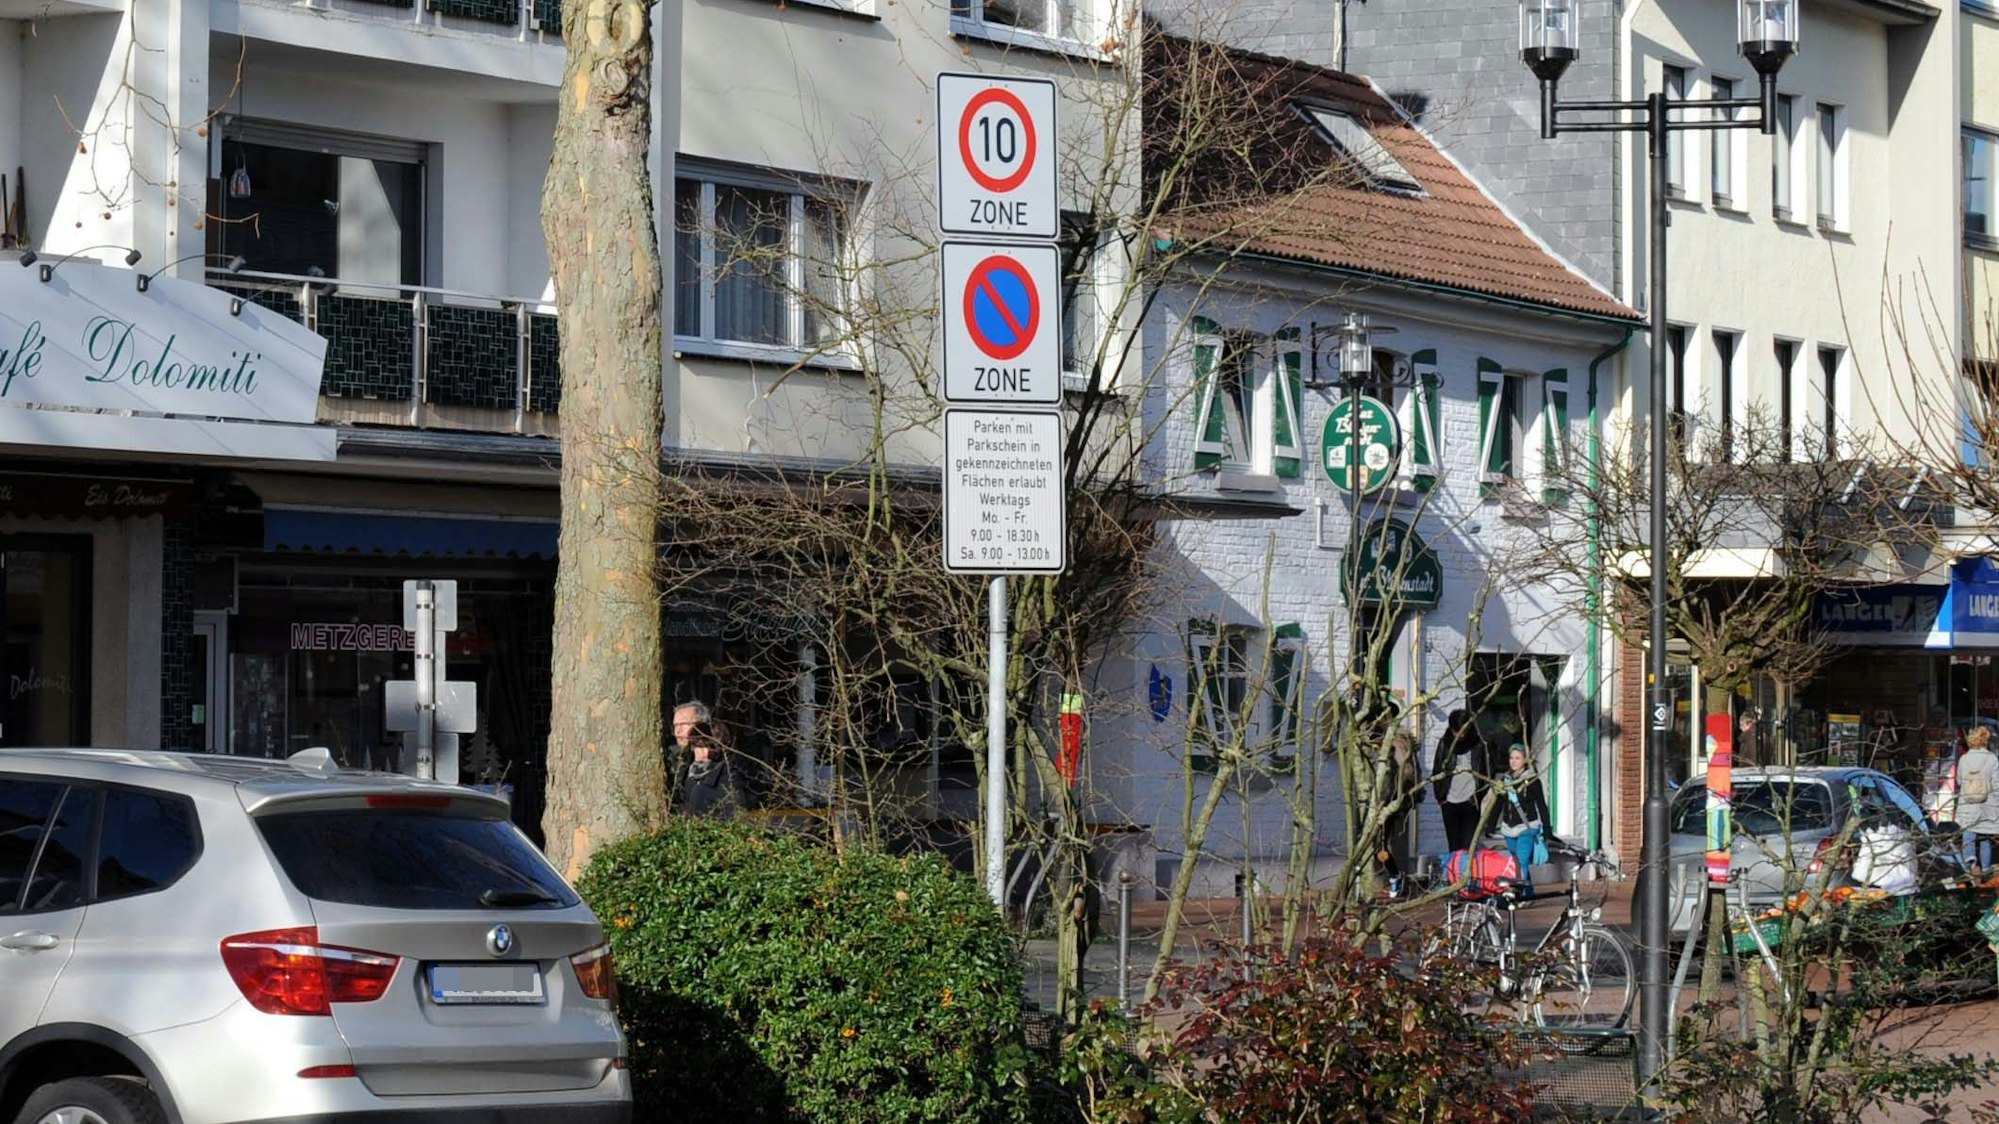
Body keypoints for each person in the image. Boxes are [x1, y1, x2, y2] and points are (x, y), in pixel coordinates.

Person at [1496, 743, 1554, 896]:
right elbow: (1498, 803)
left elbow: (1541, 806)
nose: (1513, 761)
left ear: (1525, 760)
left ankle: (1518, 893)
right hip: (1509, 829)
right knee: (1515, 862)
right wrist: (1490, 825)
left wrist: (1547, 829)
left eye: (1517, 758)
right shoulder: (1505, 780)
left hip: (1527, 828)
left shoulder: (1532, 780)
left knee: (1521, 860)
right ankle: (1528, 891)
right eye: (1511, 758)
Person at [1431, 709, 1485, 853]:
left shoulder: (1477, 744)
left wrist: (1478, 796)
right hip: (1449, 801)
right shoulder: (1445, 743)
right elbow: (1437, 770)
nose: (1459, 735)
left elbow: (1485, 771)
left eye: (1462, 731)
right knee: (1454, 846)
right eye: (1456, 731)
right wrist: (1441, 797)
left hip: (1470, 801)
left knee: (1468, 846)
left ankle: (1466, 874)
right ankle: (1455, 874)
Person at [1381, 721, 1421, 898]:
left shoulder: (1398, 742)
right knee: (1383, 845)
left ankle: (1399, 879)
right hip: (1388, 801)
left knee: (1395, 843)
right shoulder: (1397, 741)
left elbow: (1407, 772)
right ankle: (1396, 876)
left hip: (1393, 801)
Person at [1952, 725, 1999, 870]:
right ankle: (1985, 868)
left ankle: (1970, 860)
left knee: (1968, 830)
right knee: (1985, 835)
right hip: (1987, 804)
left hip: (1968, 803)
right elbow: (1996, 783)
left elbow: (1959, 780)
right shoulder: (1992, 759)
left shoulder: (1964, 759)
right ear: (1985, 741)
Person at [678, 718, 745, 818]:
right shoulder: (687, 770)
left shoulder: (728, 774)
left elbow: (734, 808)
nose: (696, 751)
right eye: (694, 746)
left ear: (714, 747)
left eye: (701, 746)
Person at [668, 700, 710, 806]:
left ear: (701, 725)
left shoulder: (717, 757)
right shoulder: (670, 757)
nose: (678, 731)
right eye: (676, 725)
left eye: (683, 724)